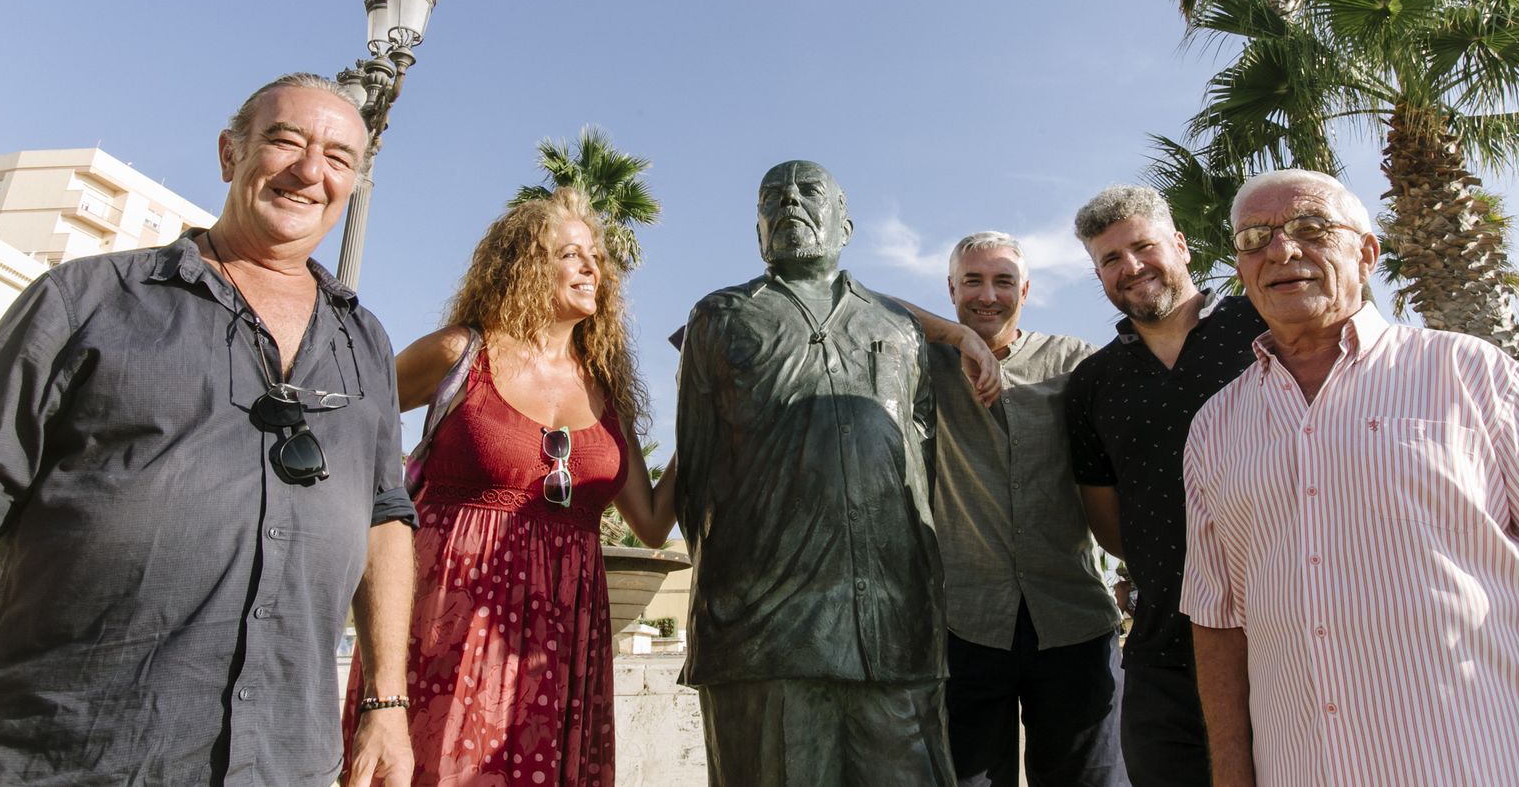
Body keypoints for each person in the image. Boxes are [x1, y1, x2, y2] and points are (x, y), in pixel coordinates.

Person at [0, 73, 416, 786]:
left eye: (339, 158)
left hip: (286, 758)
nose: (310, 171)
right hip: (78, 748)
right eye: (286, 140)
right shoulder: (85, 301)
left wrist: (387, 701)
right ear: (230, 154)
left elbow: (384, 517)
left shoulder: (364, 338)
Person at [1181, 168, 1519, 787]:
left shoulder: (1472, 374)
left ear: (1367, 253)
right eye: (1254, 237)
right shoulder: (1215, 427)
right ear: (1240, 269)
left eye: (1310, 228)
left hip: (1493, 761)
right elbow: (1217, 624)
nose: (1282, 250)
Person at [343, 188, 675, 787]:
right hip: (449, 620)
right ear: (525, 264)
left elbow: (651, 524)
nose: (591, 267)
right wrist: (386, 500)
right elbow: (353, 419)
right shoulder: (461, 354)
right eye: (570, 253)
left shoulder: (607, 396)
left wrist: (705, 414)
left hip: (562, 639)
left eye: (595, 256)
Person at [675, 159, 954, 786]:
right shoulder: (720, 317)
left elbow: (923, 468)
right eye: (772, 196)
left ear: (845, 224)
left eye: (808, 191)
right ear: (757, 232)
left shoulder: (899, 326)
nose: (790, 202)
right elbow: (694, 473)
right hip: (764, 632)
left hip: (896, 626)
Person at [1066, 184, 1267, 787]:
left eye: (1142, 247)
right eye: (1109, 259)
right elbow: (1106, 520)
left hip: (1282, 631)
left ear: (1179, 245)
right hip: (1163, 652)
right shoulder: (1092, 383)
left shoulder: (1259, 325)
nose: (1130, 268)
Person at [924, 231, 1125, 787]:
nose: (988, 294)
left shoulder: (1075, 363)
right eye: (973, 281)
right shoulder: (925, 364)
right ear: (951, 289)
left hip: (1074, 622)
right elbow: (861, 300)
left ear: (1026, 290)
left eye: (1003, 281)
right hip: (964, 628)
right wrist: (958, 338)